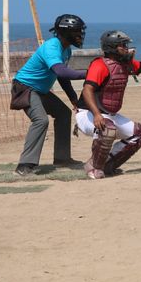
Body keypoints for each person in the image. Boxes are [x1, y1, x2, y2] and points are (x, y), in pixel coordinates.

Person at [74, 31, 141, 179]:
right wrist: (96, 114)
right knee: (107, 129)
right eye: (122, 45)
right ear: (112, 47)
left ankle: (108, 165)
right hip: (87, 113)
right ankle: (94, 168)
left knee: (139, 135)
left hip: (108, 115)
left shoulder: (125, 64)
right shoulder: (100, 65)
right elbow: (87, 90)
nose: (126, 48)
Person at [10, 14, 88, 176]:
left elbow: (61, 77)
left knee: (63, 114)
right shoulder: (52, 46)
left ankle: (62, 158)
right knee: (40, 120)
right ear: (66, 33)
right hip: (25, 88)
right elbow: (61, 71)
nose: (80, 35)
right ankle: (25, 165)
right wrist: (91, 73)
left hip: (40, 91)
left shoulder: (66, 50)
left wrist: (73, 98)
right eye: (77, 32)